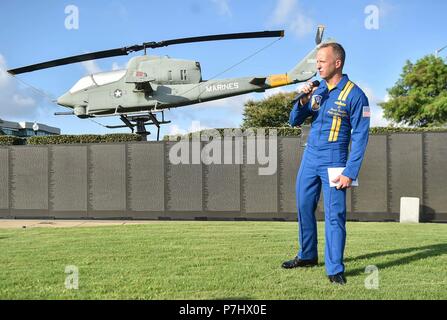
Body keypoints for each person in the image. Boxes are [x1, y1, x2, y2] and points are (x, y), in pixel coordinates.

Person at [282, 42, 370, 285]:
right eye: (317, 61)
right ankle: (307, 255)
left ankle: (334, 269)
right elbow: (293, 121)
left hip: (335, 159)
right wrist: (302, 100)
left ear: (337, 63)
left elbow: (361, 137)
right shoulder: (318, 90)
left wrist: (350, 172)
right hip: (310, 157)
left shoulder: (355, 95)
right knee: (303, 205)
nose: (317, 65)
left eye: (322, 60)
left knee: (334, 215)